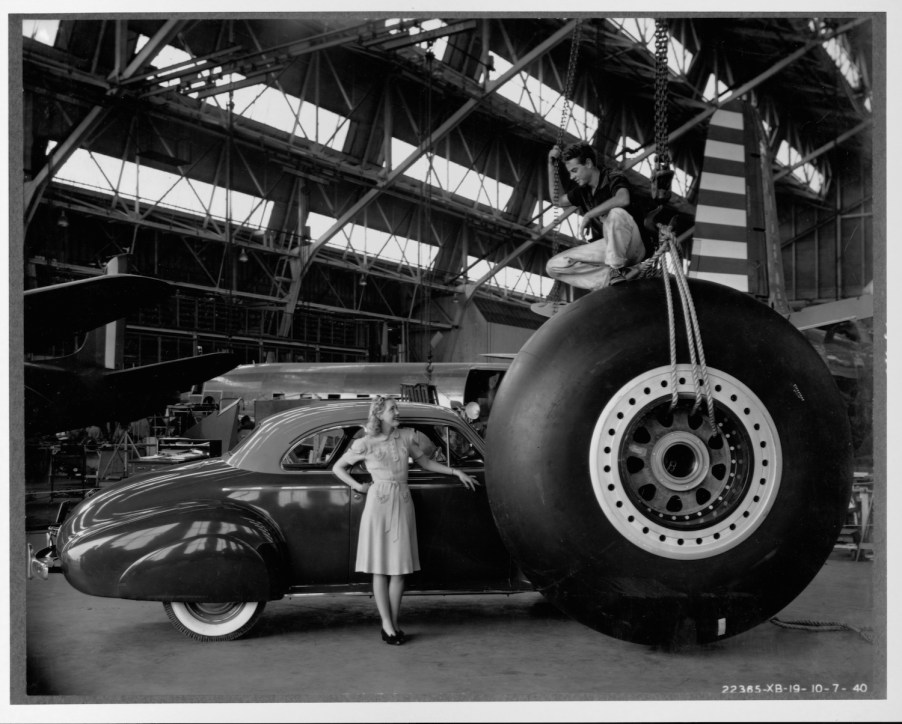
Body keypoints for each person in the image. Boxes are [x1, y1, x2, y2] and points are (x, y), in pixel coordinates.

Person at [332, 395, 480, 645]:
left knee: (400, 568)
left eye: (396, 408)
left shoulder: (406, 437)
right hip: (378, 502)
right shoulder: (364, 443)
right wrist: (359, 487)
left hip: (402, 500)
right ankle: (387, 625)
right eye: (392, 409)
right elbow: (338, 468)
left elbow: (425, 462)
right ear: (379, 414)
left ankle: (394, 621)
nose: (397, 412)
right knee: (379, 567)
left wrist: (455, 471)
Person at [531, 142, 646, 317]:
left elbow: (623, 198)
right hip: (609, 248)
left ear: (589, 164)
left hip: (633, 244)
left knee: (615, 213)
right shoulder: (582, 191)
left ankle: (616, 272)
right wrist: (551, 165)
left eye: (574, 170)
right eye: (569, 172)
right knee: (554, 266)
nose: (571, 177)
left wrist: (589, 214)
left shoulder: (613, 176)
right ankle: (613, 279)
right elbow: (558, 200)